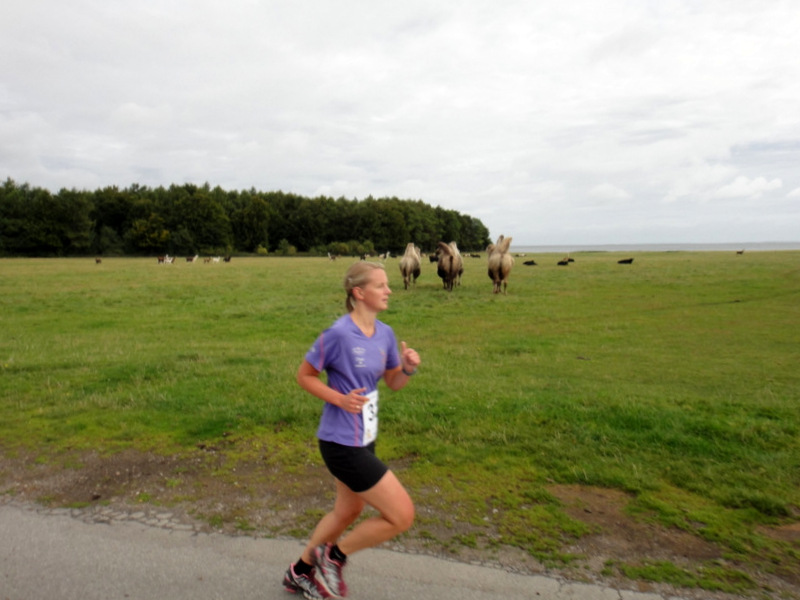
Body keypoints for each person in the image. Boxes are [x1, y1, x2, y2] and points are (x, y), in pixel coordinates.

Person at [282, 261, 421, 600]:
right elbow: (304, 376)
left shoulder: (385, 333)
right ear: (359, 293)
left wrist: (407, 368)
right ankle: (333, 557)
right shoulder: (338, 335)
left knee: (348, 511)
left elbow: (393, 383)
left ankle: (299, 573)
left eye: (388, 285)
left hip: (365, 437)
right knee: (402, 515)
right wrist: (339, 399)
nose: (389, 290)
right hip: (341, 442)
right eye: (381, 285)